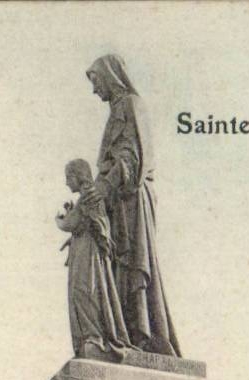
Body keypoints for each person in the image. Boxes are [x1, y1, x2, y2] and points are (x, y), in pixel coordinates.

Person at [86, 55, 180, 356]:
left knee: (134, 262)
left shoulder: (130, 104)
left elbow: (132, 156)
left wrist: (104, 186)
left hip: (132, 199)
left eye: (97, 82)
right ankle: (128, 333)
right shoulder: (116, 109)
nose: (94, 91)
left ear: (111, 77)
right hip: (118, 201)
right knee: (119, 266)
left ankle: (144, 334)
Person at [55, 159, 132, 360]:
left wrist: (59, 219)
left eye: (68, 177)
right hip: (83, 249)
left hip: (88, 252)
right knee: (81, 291)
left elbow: (71, 223)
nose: (66, 182)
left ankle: (94, 337)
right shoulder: (86, 198)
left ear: (79, 176)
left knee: (84, 290)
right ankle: (89, 338)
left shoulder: (89, 196)